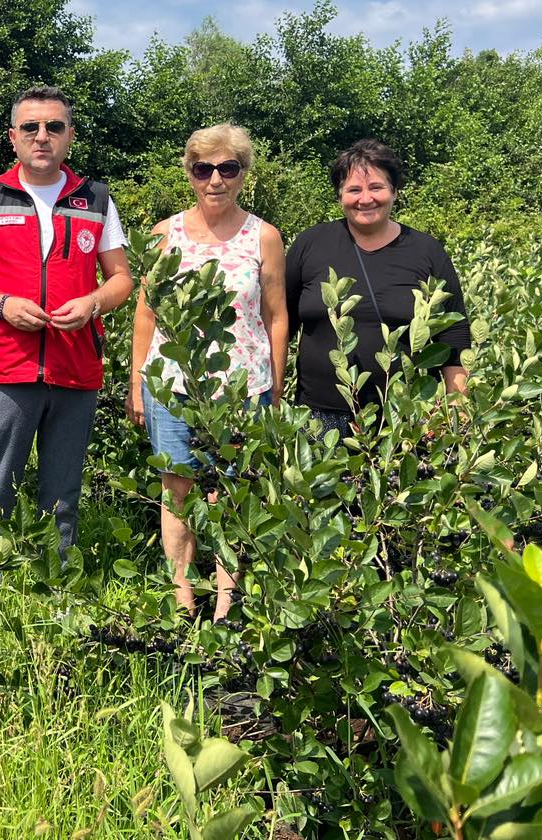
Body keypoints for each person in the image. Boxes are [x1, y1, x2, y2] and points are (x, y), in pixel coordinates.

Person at [0, 85, 133, 553]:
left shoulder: (96, 199)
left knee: (62, 495)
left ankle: (58, 592)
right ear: (13, 137)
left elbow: (121, 279)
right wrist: (3, 305)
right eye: (31, 127)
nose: (41, 136)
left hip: (76, 368)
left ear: (69, 136)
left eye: (54, 127)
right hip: (6, 367)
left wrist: (92, 304)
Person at [126, 124, 286, 620]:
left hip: (243, 388)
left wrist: (275, 388)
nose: (215, 179)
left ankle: (226, 604)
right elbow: (147, 313)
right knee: (177, 491)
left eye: (227, 168)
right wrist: (137, 382)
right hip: (172, 388)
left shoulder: (264, 236)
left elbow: (276, 316)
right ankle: (181, 599)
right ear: (191, 174)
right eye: (203, 168)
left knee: (232, 493)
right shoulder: (163, 234)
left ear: (243, 174)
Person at [285, 139, 470, 435]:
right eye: (354, 189)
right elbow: (281, 323)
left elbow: (455, 337)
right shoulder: (310, 245)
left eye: (377, 187)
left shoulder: (426, 251)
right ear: (339, 195)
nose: (366, 198)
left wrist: (454, 409)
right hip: (318, 417)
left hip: (402, 418)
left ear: (395, 191)